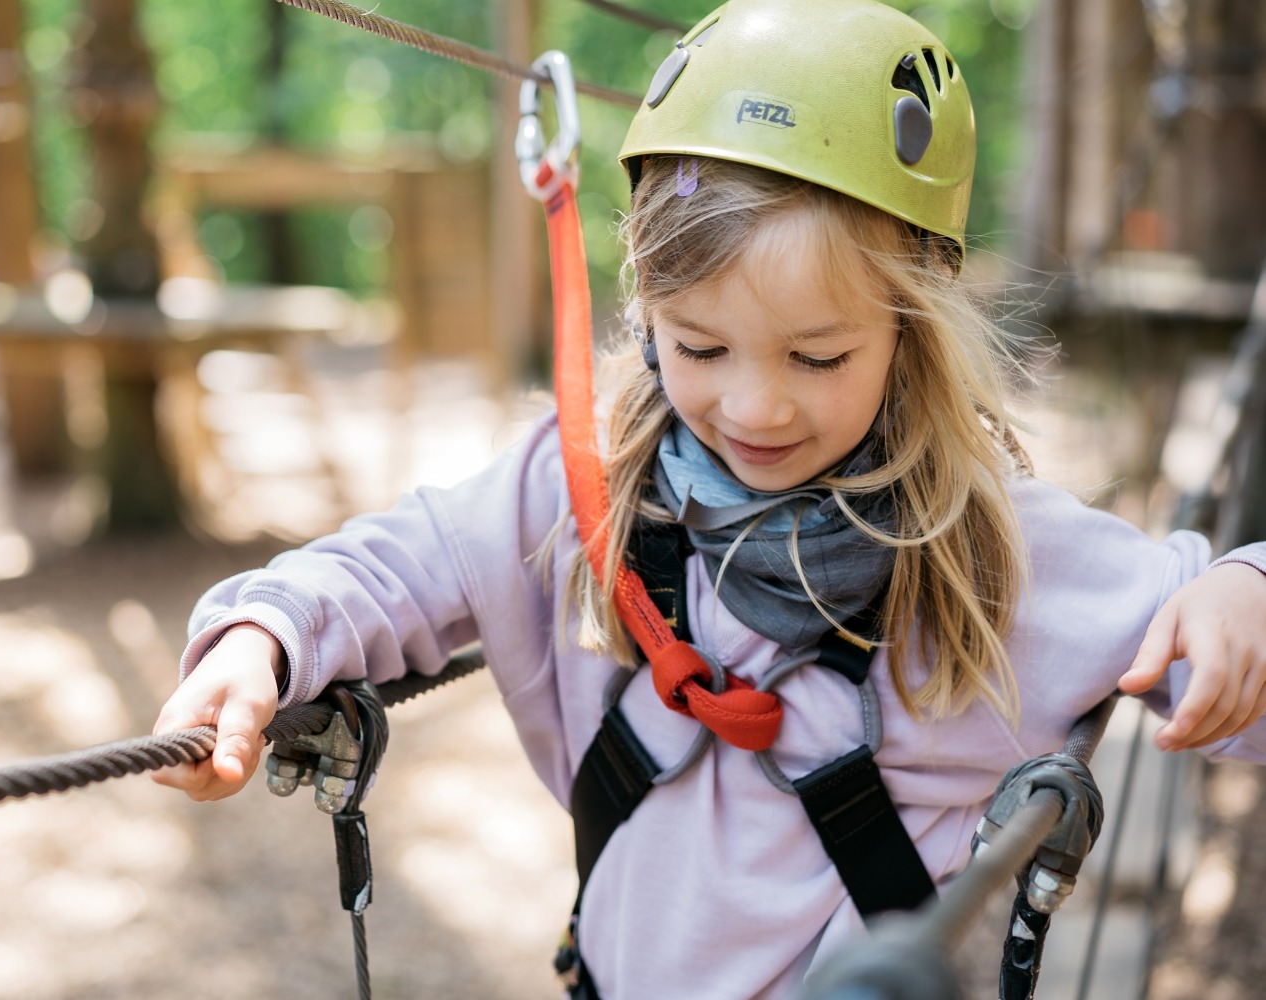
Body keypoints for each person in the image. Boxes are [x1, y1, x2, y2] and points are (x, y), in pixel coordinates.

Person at [151, 2, 1266, 997]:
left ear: (912, 325)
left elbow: (1205, 638)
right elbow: (400, 562)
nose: (754, 405)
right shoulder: (580, 487)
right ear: (648, 313)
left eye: (819, 357)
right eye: (700, 345)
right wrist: (264, 636)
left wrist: (1241, 588)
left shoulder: (988, 554)